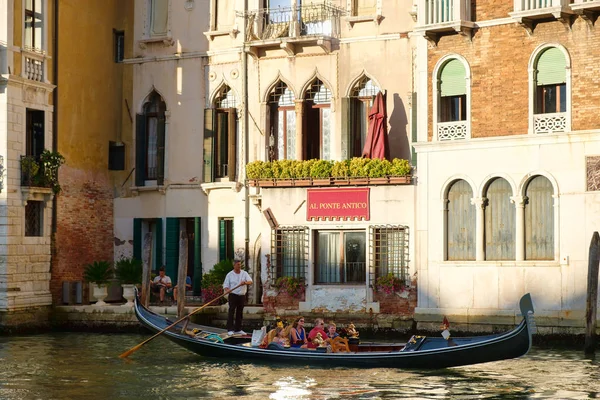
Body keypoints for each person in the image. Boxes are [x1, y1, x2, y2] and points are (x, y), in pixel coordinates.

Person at [223, 258, 253, 336]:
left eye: (240, 265)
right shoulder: (229, 274)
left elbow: (250, 281)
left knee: (240, 313)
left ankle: (238, 329)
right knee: (231, 312)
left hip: (242, 296)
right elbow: (225, 285)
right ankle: (230, 329)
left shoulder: (244, 273)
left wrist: (245, 282)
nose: (239, 266)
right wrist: (228, 290)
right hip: (233, 295)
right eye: (238, 265)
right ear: (234, 265)